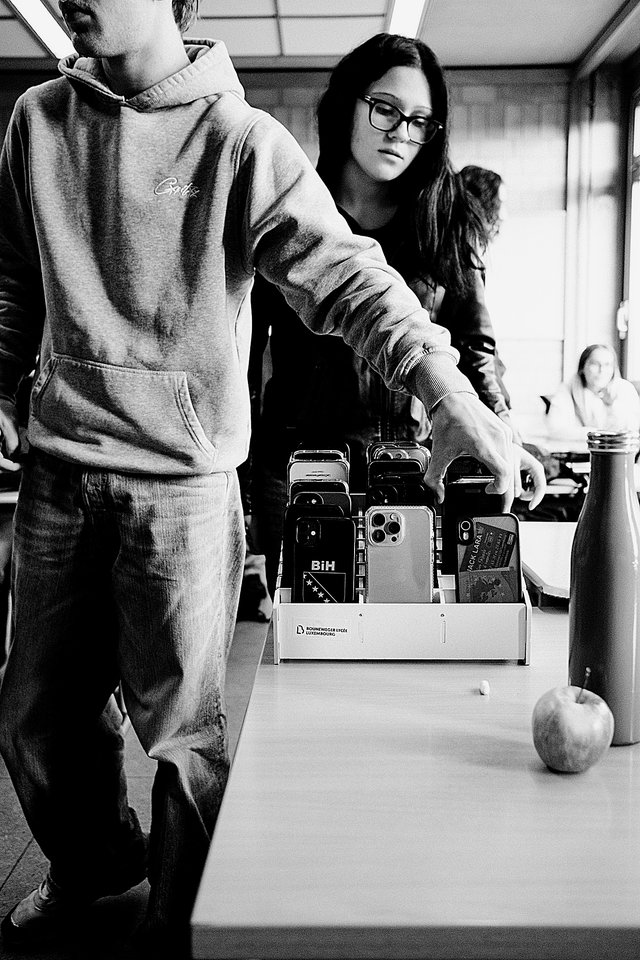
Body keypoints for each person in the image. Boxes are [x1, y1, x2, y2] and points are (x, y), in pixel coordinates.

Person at [0, 4, 540, 958]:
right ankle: (94, 861)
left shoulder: (243, 141)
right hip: (57, 469)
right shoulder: (36, 120)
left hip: (183, 488)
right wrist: (6, 381)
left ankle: (182, 921)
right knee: (36, 720)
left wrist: (453, 396)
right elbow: (11, 272)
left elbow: (351, 278)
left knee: (181, 740)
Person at [248, 33, 541, 594]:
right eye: (386, 110)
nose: (401, 134)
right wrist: (242, 481)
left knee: (405, 624)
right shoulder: (291, 217)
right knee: (311, 630)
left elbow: (476, 350)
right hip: (302, 466)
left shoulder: (450, 218)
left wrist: (501, 429)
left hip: (411, 464)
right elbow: (246, 353)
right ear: (346, 105)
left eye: (420, 121)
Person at [546, 343, 640, 440]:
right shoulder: (568, 389)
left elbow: (629, 431)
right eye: (595, 364)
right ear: (582, 367)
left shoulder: (625, 389)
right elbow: (556, 429)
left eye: (607, 365)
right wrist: (598, 433)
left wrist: (612, 406)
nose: (602, 370)